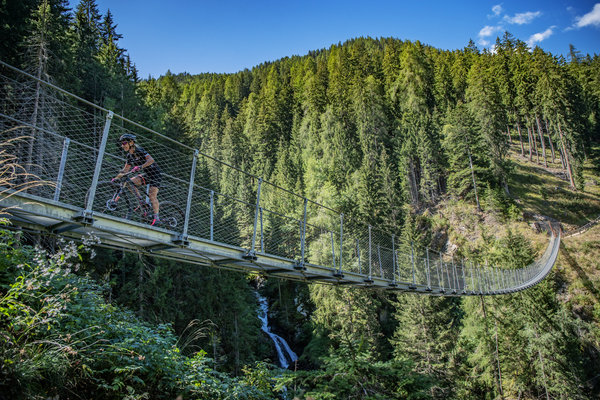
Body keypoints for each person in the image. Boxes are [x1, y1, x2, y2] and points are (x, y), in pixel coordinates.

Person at [113, 133, 162, 226]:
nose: (122, 146)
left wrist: (140, 166)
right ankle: (141, 202)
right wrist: (116, 178)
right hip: (147, 174)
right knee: (129, 182)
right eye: (122, 144)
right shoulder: (129, 156)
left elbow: (151, 160)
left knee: (152, 195)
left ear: (131, 142)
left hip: (155, 174)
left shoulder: (140, 150)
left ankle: (157, 218)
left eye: (124, 143)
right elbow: (125, 170)